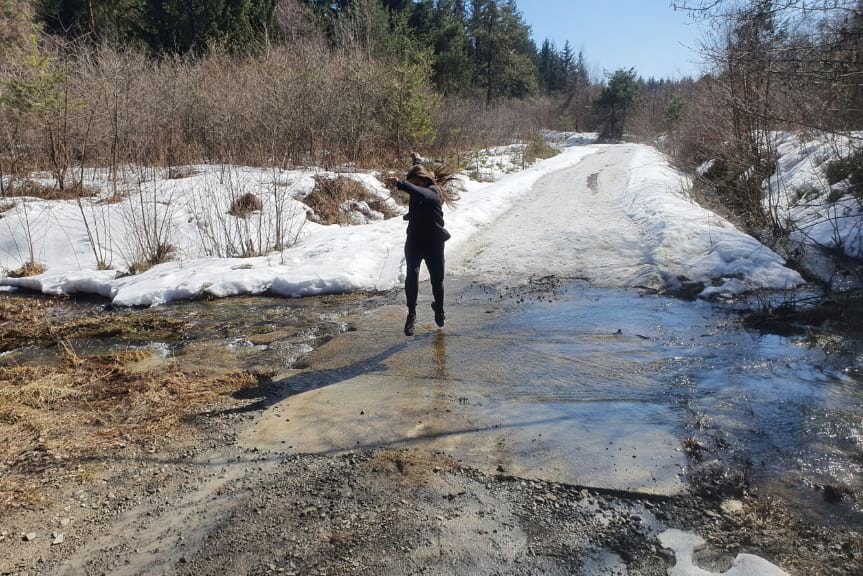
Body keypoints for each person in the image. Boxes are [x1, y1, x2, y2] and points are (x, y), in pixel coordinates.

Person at [385, 153, 458, 336]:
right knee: (412, 274)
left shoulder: (433, 192)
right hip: (415, 240)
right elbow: (417, 182)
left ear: (423, 181)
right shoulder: (420, 184)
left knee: (437, 280)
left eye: (416, 183)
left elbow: (421, 192)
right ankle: (411, 314)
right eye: (413, 184)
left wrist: (401, 184)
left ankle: (439, 309)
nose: (414, 188)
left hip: (433, 242)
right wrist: (416, 161)